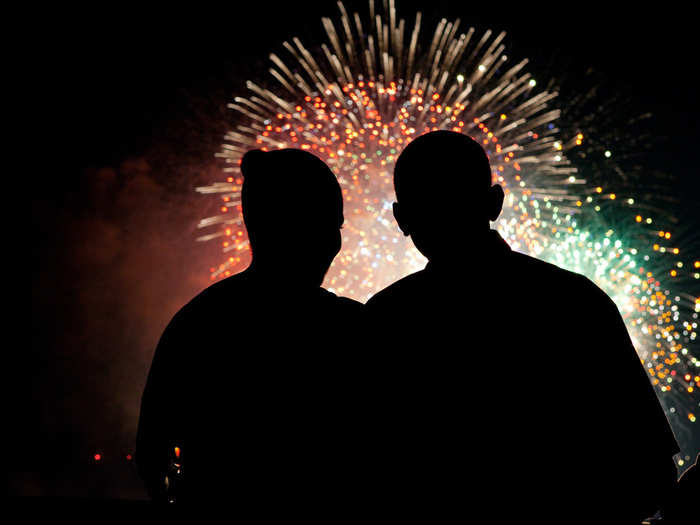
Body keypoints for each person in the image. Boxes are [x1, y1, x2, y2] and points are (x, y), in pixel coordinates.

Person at [365, 130, 679, 523]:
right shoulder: (577, 302)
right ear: (495, 203)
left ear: (402, 219)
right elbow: (651, 477)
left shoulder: (382, 321)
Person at [135, 149, 365, 517]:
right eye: (331, 225)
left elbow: (151, 454)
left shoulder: (196, 323)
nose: (335, 243)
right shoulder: (351, 328)